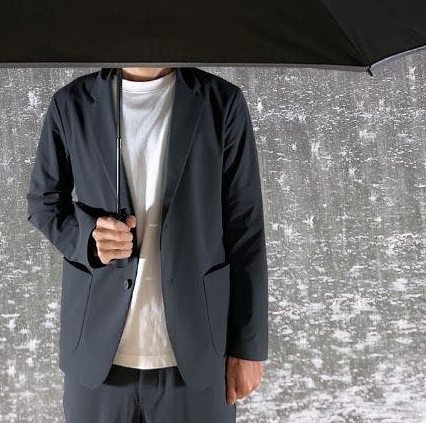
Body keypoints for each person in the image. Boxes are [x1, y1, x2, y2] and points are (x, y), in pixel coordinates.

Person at [27, 66, 268, 422]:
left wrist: (248, 347)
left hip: (199, 352)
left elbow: (246, 229)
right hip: (97, 356)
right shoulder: (70, 104)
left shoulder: (223, 103)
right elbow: (44, 203)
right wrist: (89, 237)